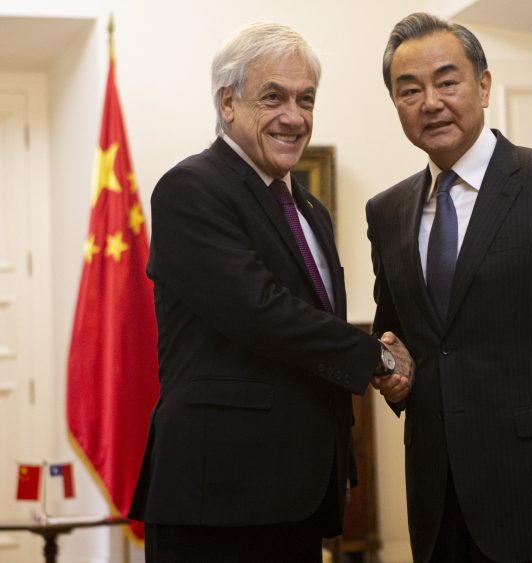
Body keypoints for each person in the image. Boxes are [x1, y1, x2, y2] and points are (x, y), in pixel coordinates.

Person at [129, 21, 412, 563]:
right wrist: (378, 357)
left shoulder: (310, 209)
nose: (295, 116)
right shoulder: (191, 189)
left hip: (299, 493)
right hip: (220, 495)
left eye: (306, 99)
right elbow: (260, 311)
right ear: (228, 103)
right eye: (274, 97)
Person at [367, 12, 532, 563]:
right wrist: (391, 368)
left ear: (483, 85)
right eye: (409, 89)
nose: (430, 102)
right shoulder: (387, 210)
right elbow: (396, 330)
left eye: (447, 81)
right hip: (436, 497)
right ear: (395, 104)